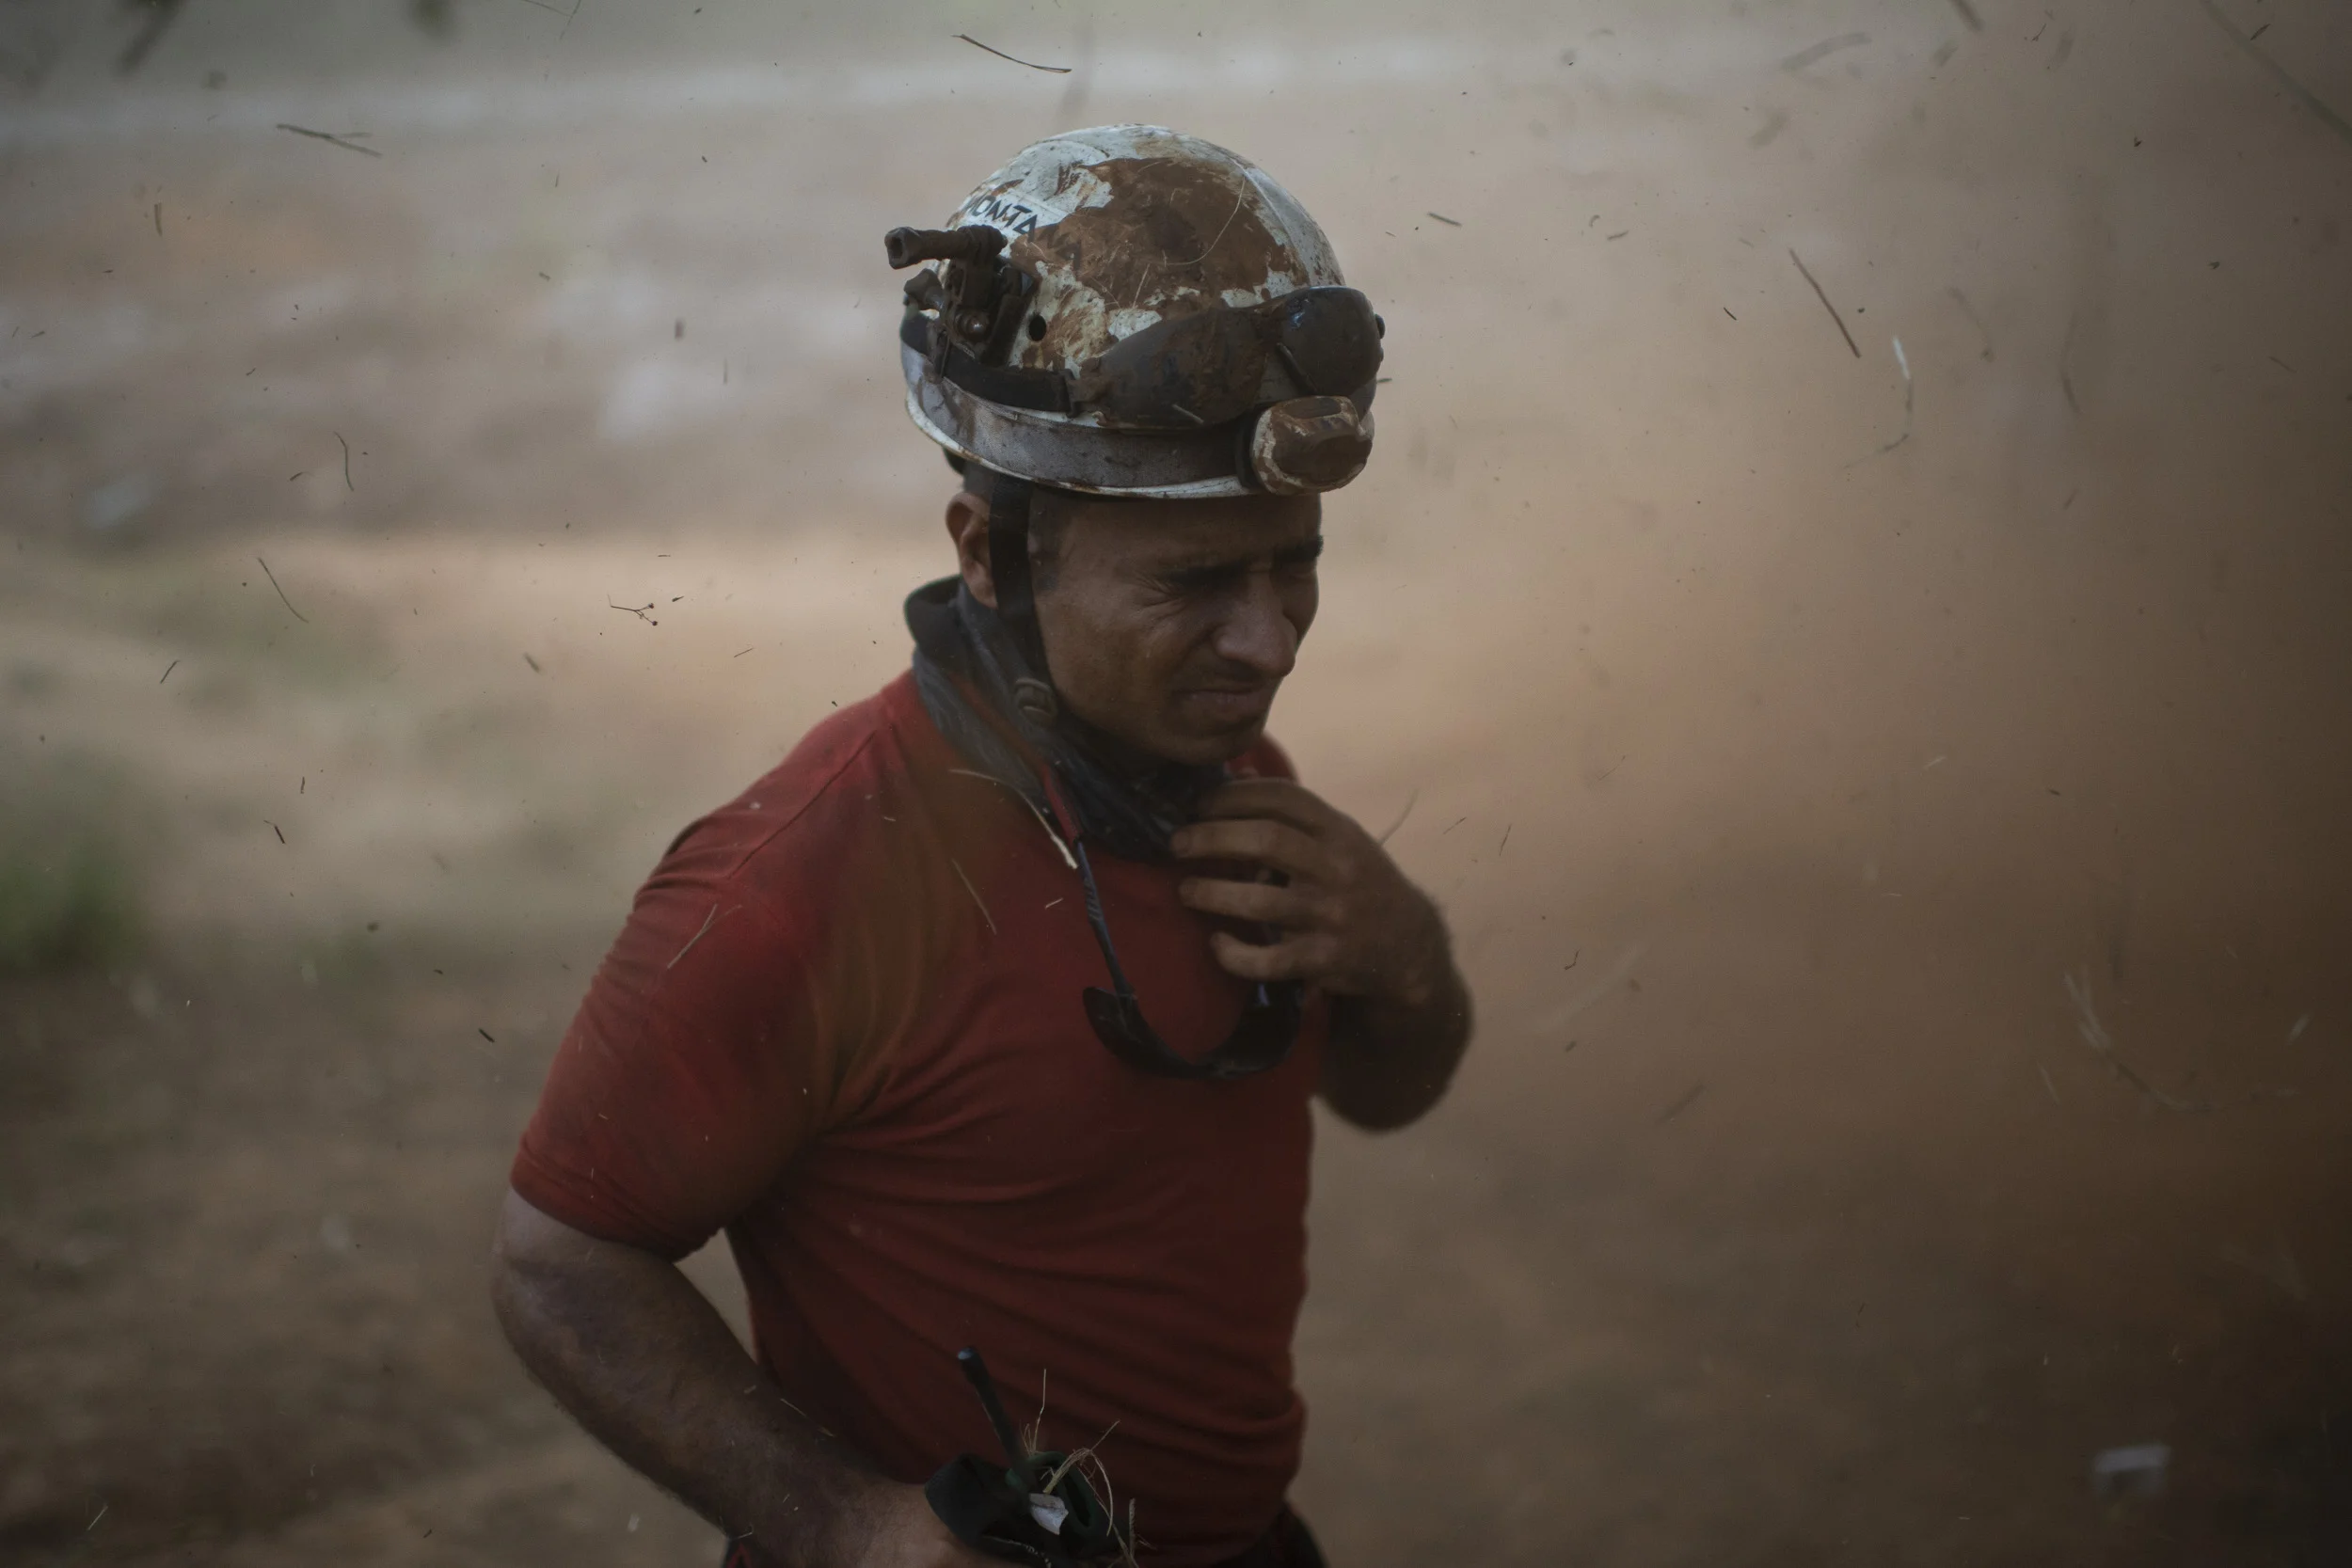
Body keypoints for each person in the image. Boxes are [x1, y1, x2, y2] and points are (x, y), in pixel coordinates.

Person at [489, 126, 1472, 1568]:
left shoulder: (1218, 765)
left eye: (1296, 563)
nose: (1264, 641)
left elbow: (1383, 1092)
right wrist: (850, 1525)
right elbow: (558, 1259)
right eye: (1196, 581)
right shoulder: (812, 870)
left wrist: (1409, 959)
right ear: (984, 547)